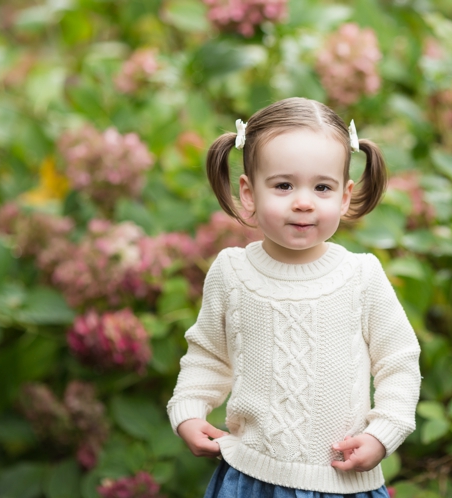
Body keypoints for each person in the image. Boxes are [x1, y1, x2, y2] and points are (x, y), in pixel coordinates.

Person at [167, 97, 421, 497]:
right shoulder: (232, 272)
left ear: (344, 196)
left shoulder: (361, 276)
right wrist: (188, 410)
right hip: (250, 480)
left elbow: (399, 360)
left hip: (342, 483)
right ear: (249, 193)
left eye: (322, 187)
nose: (303, 201)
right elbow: (209, 355)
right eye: (283, 185)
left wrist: (383, 432)